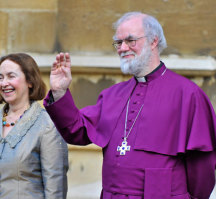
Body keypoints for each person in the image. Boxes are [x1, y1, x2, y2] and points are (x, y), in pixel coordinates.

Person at [44, 12, 216, 199]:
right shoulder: (112, 95)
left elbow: (202, 166)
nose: (122, 48)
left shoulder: (188, 94)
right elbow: (76, 130)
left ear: (153, 41)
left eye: (130, 40)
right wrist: (60, 92)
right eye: (118, 42)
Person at [0, 53, 68, 199]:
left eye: (11, 76)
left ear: (30, 81)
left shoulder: (48, 124)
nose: (4, 83)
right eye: (0, 78)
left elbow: (55, 188)